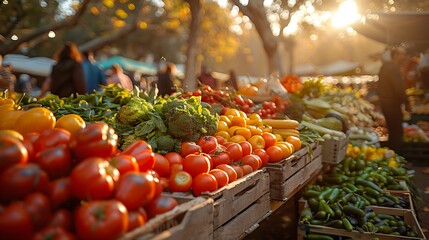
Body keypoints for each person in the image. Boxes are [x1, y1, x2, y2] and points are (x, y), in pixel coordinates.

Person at [377, 47, 411, 154]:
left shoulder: (385, 66)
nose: (404, 57)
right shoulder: (393, 67)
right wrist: (406, 102)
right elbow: (399, 88)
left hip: (386, 103)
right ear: (395, 55)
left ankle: (392, 157)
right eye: (402, 54)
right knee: (397, 132)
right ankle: (397, 157)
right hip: (392, 104)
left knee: (392, 131)